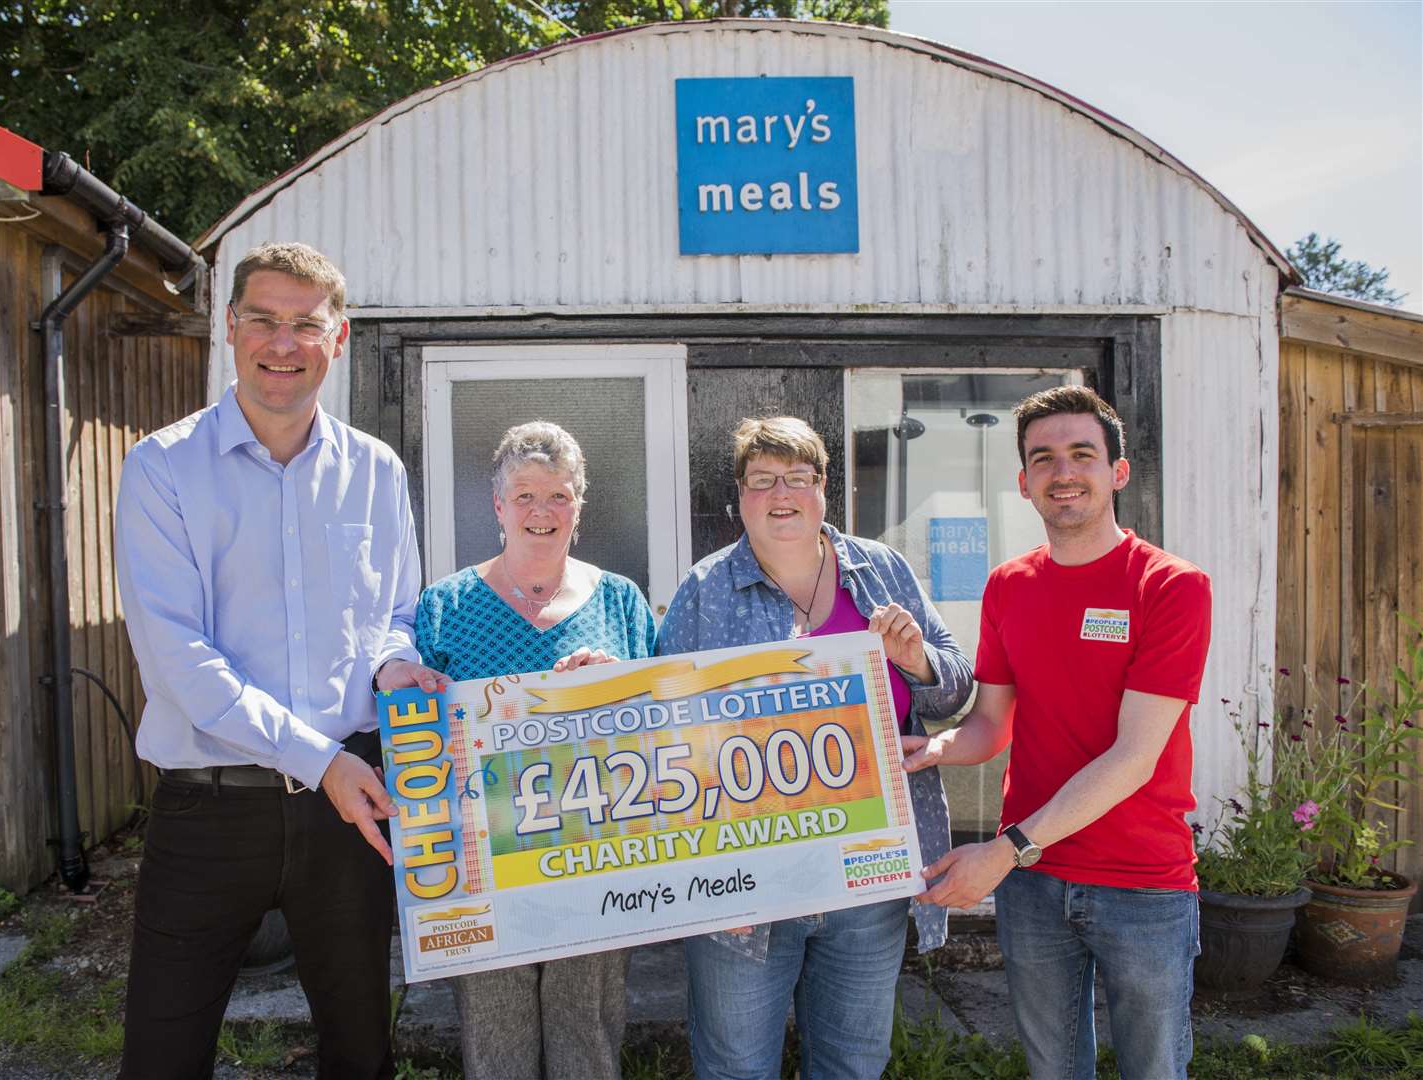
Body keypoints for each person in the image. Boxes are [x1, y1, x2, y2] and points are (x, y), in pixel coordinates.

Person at [114, 241, 445, 1079]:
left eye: (306, 324)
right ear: (230, 328)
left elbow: (393, 616)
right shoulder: (162, 468)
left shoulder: (376, 470)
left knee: (361, 1048)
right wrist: (320, 761)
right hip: (210, 807)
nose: (282, 343)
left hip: (350, 810)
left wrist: (395, 666)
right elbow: (178, 656)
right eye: (263, 319)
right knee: (162, 1052)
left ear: (339, 339)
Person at [903, 385, 1213, 1080]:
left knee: (1154, 1070)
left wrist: (1005, 851)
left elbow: (1135, 757)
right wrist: (935, 750)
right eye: (1043, 458)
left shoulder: (1170, 587)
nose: (1062, 472)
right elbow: (989, 723)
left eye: (1082, 454)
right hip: (1037, 887)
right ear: (1023, 481)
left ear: (1117, 472)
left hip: (1143, 881)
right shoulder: (1009, 586)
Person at [656, 416, 971, 1080]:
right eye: (763, 479)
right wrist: (703, 885)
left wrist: (916, 662)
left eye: (798, 478)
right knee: (737, 1065)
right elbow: (664, 734)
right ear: (739, 494)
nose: (782, 494)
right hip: (744, 878)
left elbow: (952, 695)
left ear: (824, 488)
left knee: (853, 1063)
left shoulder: (881, 571)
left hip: (868, 870)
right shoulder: (705, 591)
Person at [414, 420, 657, 1080]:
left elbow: (665, 729)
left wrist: (615, 686)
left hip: (597, 856)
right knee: (497, 1044)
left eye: (558, 495)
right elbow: (414, 738)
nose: (541, 511)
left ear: (579, 506)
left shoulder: (622, 603)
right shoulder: (445, 605)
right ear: (498, 505)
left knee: (588, 1036)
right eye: (524, 495)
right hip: (483, 860)